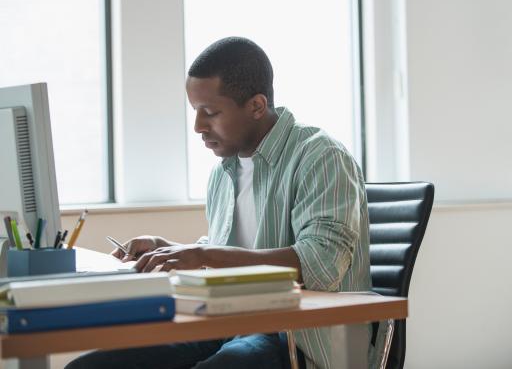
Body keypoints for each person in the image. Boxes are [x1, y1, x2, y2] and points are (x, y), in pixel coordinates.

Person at [66, 37, 372, 369]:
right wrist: (168, 249)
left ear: (256, 105)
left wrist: (204, 254)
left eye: (210, 113)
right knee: (90, 367)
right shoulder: (224, 171)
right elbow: (229, 250)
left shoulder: (320, 156)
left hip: (296, 336)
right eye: (195, 112)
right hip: (228, 326)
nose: (198, 127)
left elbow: (321, 266)